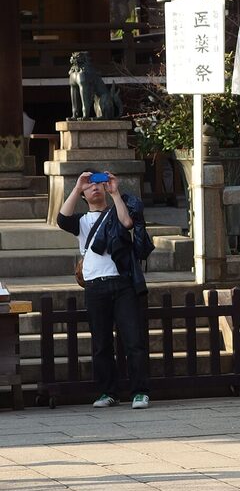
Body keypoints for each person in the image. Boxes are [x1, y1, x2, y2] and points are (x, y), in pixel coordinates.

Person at [57, 171, 152, 409]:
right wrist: (77, 186)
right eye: (90, 187)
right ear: (84, 195)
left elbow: (127, 223)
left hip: (122, 283)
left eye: (98, 185)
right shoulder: (81, 221)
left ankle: (139, 391)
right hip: (95, 285)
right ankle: (107, 392)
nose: (95, 188)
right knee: (101, 343)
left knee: (133, 340)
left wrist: (115, 192)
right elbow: (62, 219)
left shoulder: (116, 210)